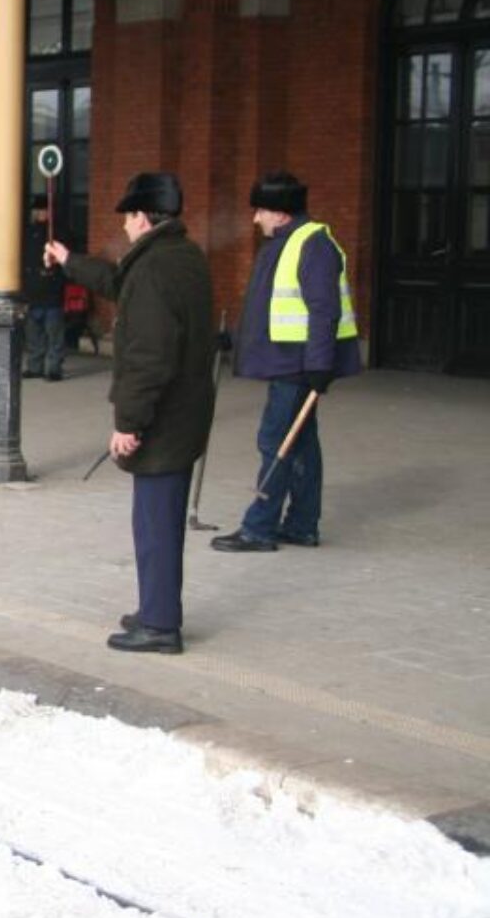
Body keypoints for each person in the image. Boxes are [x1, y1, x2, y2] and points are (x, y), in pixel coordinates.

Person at [46, 172, 215, 654]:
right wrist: (69, 261)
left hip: (164, 417)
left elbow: (148, 357)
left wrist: (128, 423)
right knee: (158, 521)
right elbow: (118, 283)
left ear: (143, 218)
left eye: (127, 216)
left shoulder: (154, 269)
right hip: (185, 410)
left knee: (156, 525)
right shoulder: (181, 256)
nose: (123, 225)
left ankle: (160, 625)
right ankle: (155, 608)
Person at [210, 172, 362, 553]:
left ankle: (259, 528)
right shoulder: (284, 244)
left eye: (260, 211)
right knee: (302, 443)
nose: (255, 218)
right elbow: (268, 305)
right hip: (293, 361)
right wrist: (234, 340)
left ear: (280, 213)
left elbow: (324, 311)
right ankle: (301, 525)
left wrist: (320, 366)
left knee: (275, 440)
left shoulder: (313, 245)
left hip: (298, 365)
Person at [22, 197, 68, 382]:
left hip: (51, 291)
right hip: (32, 291)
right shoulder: (28, 232)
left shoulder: (58, 232)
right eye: (39, 211)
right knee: (34, 335)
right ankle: (35, 366)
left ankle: (54, 368)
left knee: (54, 334)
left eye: (45, 210)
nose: (42, 214)